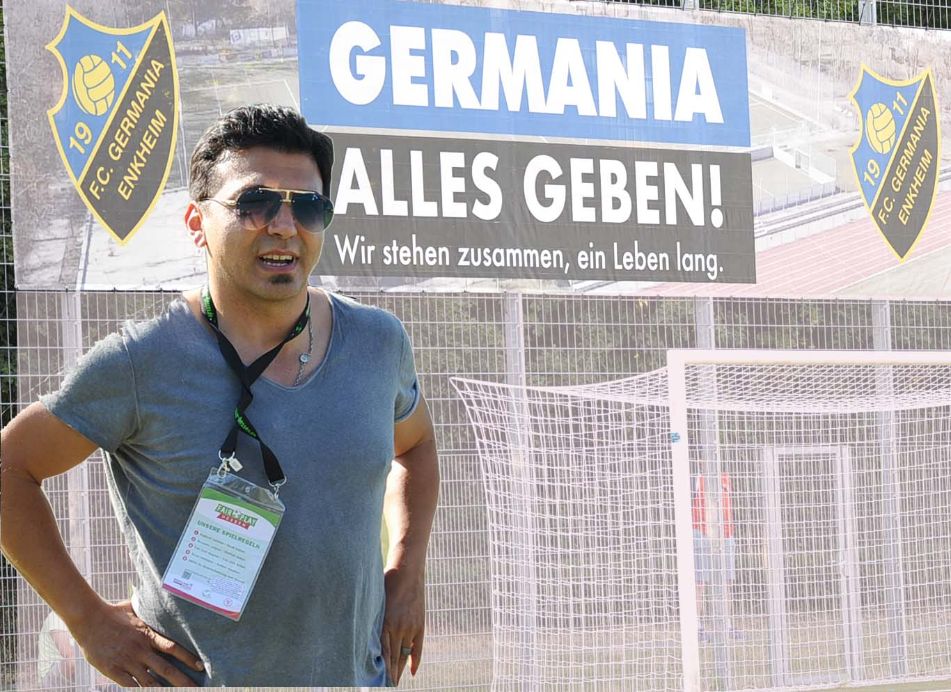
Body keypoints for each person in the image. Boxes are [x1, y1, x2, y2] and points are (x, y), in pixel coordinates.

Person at [0, 105, 440, 687]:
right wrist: (87, 620)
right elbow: (10, 467)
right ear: (196, 222)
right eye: (256, 203)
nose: (284, 226)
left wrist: (406, 571)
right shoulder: (142, 362)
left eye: (307, 206)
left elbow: (417, 446)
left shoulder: (378, 343)